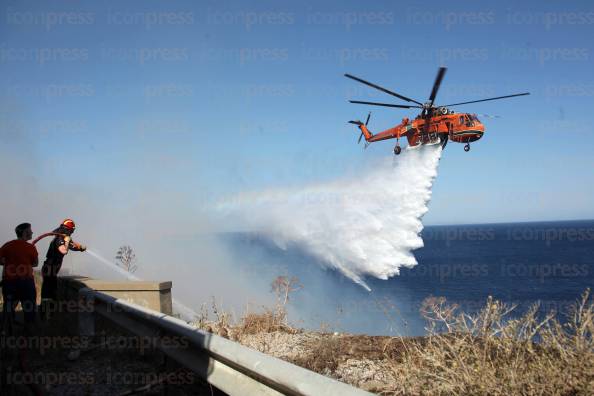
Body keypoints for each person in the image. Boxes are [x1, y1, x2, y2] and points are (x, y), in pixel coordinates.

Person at [40, 219, 86, 320]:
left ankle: (48, 315)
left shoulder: (62, 237)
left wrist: (80, 248)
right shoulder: (60, 238)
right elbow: (64, 250)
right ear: (69, 230)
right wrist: (67, 242)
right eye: (72, 231)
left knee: (50, 291)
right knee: (49, 293)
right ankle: (46, 316)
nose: (72, 233)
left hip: (51, 269)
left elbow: (72, 245)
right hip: (49, 268)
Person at [0, 223, 39, 334]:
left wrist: (8, 263)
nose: (32, 232)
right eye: (30, 230)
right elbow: (35, 263)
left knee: (8, 307)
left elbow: (0, 260)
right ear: (25, 232)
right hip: (26, 283)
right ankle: (28, 333)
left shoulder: (7, 245)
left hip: (9, 283)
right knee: (29, 308)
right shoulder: (31, 247)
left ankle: (5, 331)